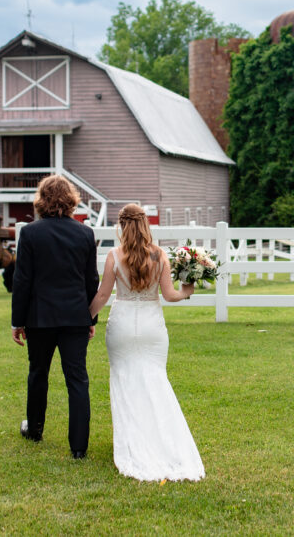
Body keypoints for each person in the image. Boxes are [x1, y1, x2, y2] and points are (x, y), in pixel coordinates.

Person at [89, 203, 204, 482]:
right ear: (144, 225)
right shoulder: (160, 255)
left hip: (123, 326)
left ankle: (133, 442)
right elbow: (169, 295)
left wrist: (86, 319)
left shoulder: (114, 256)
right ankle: (163, 441)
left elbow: (103, 295)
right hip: (152, 328)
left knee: (125, 381)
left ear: (122, 226)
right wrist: (187, 291)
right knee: (155, 380)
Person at [11, 175, 99, 460]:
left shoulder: (30, 234)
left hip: (39, 318)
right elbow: (90, 282)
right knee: (77, 379)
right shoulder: (85, 234)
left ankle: (35, 429)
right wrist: (91, 319)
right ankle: (78, 446)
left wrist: (17, 321)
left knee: (38, 374)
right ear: (71, 199)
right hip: (75, 317)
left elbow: (22, 281)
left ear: (42, 199)